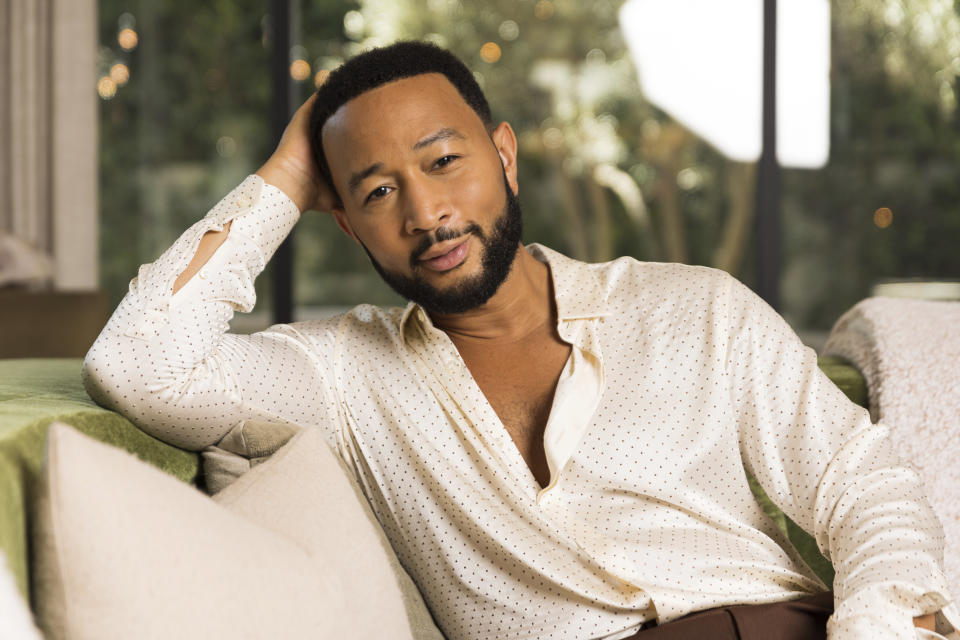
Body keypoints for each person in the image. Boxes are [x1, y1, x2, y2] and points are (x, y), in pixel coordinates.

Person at [83, 41, 957, 640]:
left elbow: (862, 485)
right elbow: (140, 363)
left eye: (441, 161)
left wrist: (877, 627)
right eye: (378, 192)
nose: (426, 214)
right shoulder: (345, 377)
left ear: (503, 153)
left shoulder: (696, 309)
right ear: (344, 224)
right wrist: (282, 178)